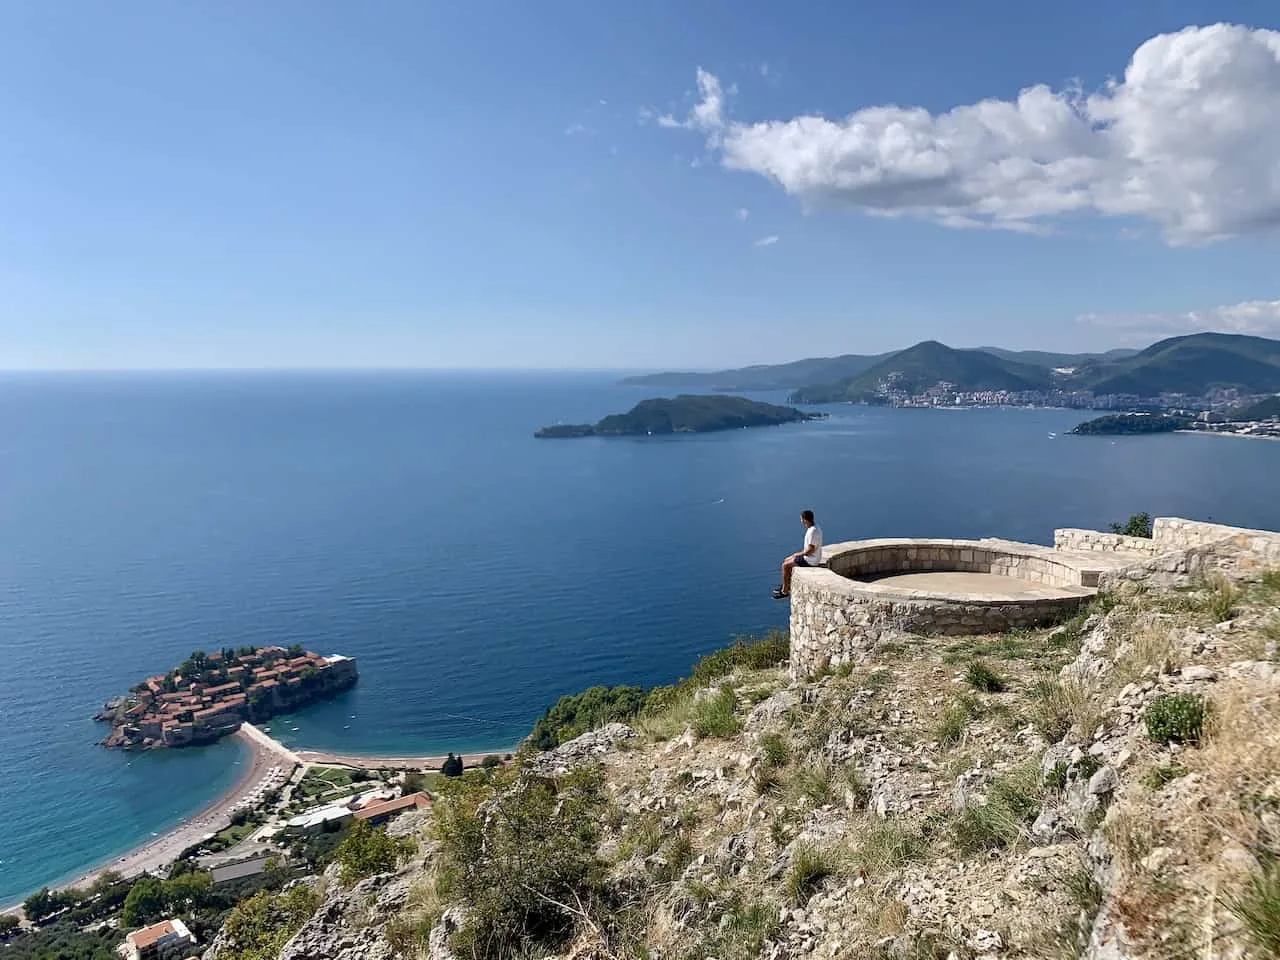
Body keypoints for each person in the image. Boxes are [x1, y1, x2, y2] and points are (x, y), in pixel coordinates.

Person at [774, 510, 822, 599]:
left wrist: (797, 554)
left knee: (785, 565)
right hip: (811, 558)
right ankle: (786, 585)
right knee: (786, 560)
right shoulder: (815, 527)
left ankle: (785, 592)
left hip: (810, 560)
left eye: (801, 519)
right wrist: (796, 555)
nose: (801, 521)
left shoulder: (813, 531)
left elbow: (810, 550)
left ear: (805, 520)